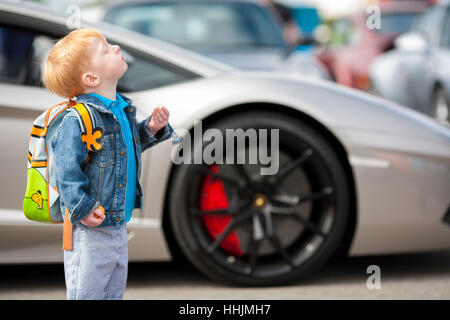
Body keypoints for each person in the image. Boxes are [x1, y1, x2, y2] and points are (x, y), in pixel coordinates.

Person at [43, 28, 174, 300]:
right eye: (104, 49)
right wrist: (83, 207)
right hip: (90, 229)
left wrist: (151, 128)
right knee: (87, 294)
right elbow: (66, 172)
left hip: (116, 225)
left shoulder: (120, 109)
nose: (115, 47)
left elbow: (126, 148)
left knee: (113, 293)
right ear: (91, 77)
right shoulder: (77, 119)